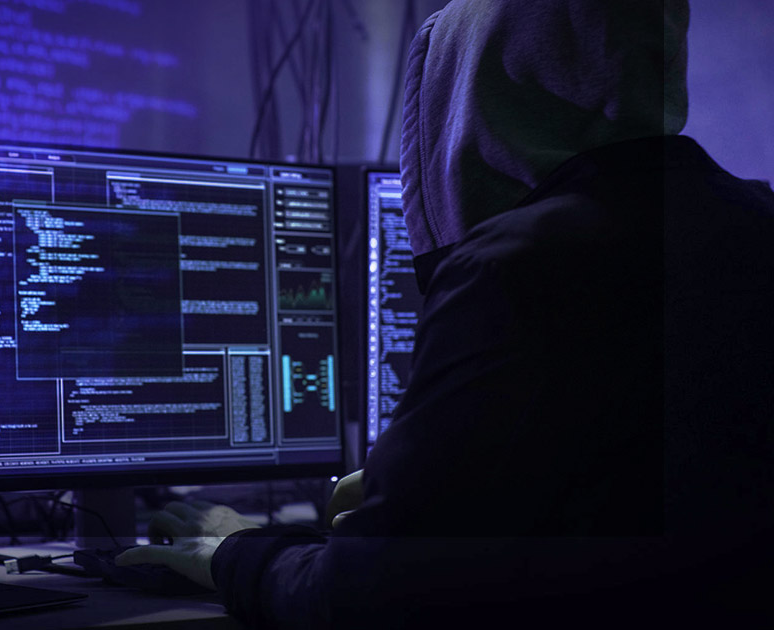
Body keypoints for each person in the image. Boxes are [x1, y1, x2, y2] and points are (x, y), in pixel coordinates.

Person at [117, 0, 774, 626]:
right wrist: (418, 486)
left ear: (467, 90)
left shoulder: (518, 265)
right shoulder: (753, 226)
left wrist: (236, 551)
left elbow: (369, 600)